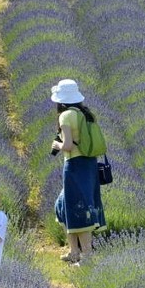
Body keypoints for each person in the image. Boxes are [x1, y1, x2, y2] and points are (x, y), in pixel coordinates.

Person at [50, 79, 106, 263]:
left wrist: (56, 144)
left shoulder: (65, 116)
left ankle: (87, 256)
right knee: (64, 204)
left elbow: (66, 145)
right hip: (89, 164)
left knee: (80, 208)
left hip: (75, 165)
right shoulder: (86, 114)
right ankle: (73, 251)